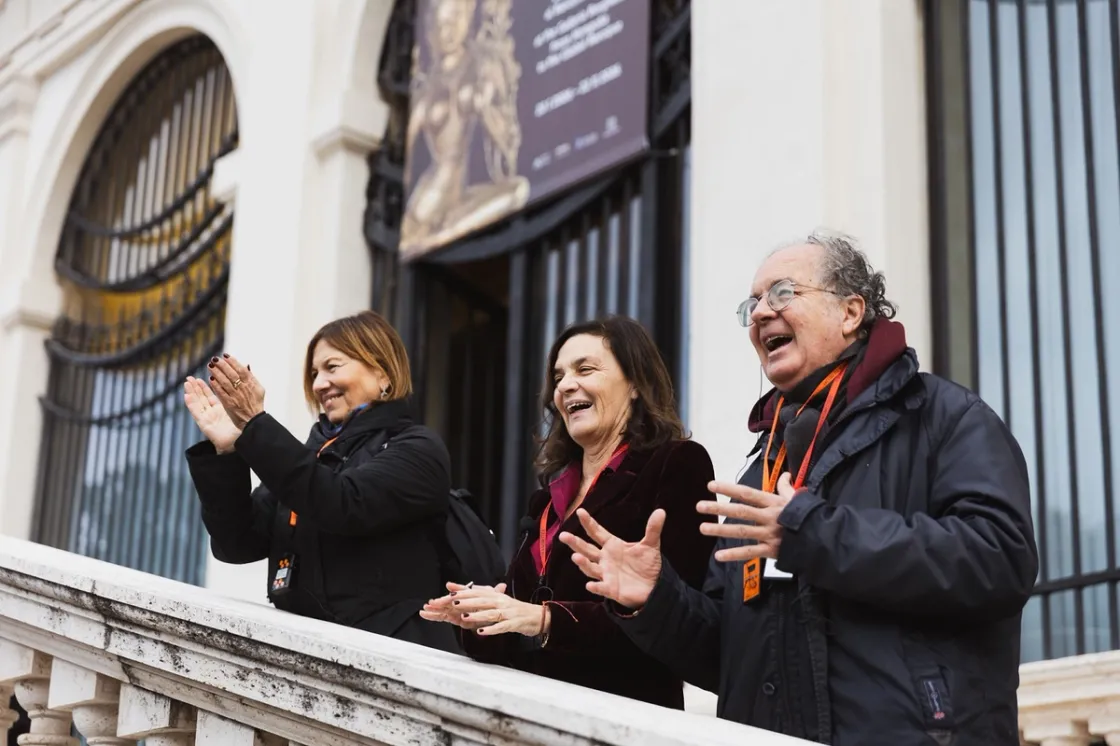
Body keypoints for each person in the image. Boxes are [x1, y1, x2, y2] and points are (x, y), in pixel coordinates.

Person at [561, 232, 1038, 744]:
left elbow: (1000, 558)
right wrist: (656, 601)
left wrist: (812, 532)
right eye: (754, 303)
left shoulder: (944, 418)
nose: (762, 312)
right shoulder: (761, 469)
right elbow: (729, 658)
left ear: (851, 312)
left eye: (783, 292)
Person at [420, 316, 717, 708]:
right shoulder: (546, 500)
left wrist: (544, 620)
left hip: (622, 720)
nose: (565, 385)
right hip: (530, 715)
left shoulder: (677, 464)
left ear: (634, 384)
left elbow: (681, 626)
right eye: (558, 376)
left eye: (585, 369)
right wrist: (482, 617)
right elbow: (518, 631)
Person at [184, 310, 459, 653]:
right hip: (305, 656)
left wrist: (256, 425)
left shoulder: (417, 448)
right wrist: (228, 451)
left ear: (382, 373)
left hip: (391, 659)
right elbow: (237, 544)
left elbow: (342, 504)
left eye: (333, 367)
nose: (318, 384)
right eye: (314, 373)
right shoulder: (309, 456)